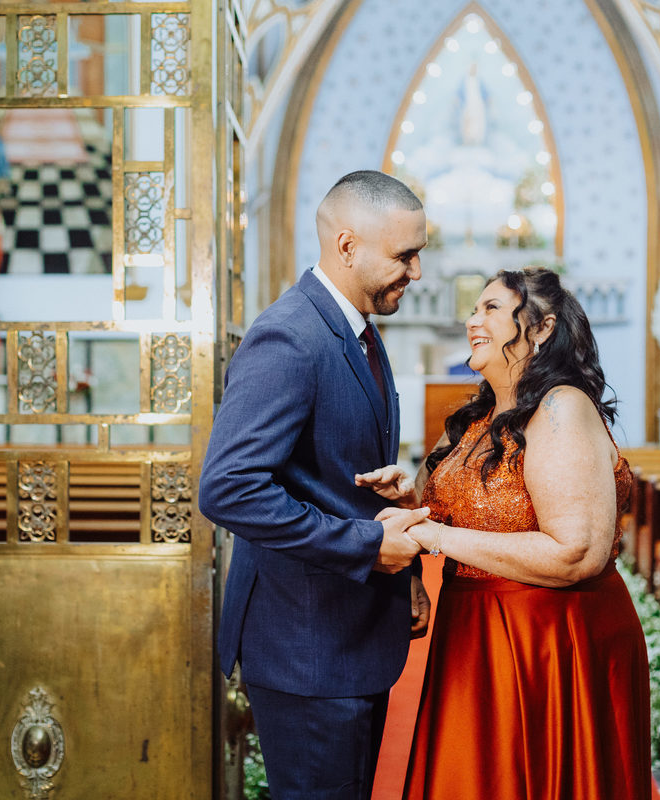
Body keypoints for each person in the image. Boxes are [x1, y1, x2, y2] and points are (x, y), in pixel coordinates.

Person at [357, 267, 651, 799]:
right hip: (477, 633)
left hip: (551, 640)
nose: (473, 320)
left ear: (540, 328)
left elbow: (575, 553)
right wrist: (408, 498)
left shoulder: (561, 407)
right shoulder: (481, 417)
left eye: (491, 308)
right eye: (474, 308)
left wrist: (433, 539)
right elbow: (455, 509)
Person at [198, 170, 432, 799]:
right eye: (404, 257)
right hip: (307, 648)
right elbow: (227, 487)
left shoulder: (356, 330)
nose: (416, 274)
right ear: (348, 246)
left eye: (419, 255)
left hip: (347, 634)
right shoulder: (290, 336)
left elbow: (338, 479)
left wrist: (402, 571)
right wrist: (365, 548)